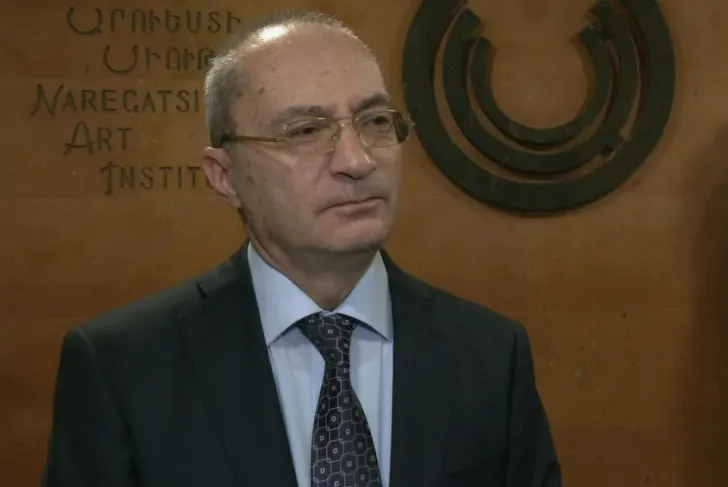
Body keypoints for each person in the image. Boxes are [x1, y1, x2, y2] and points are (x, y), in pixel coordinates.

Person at [41, 9, 561, 487]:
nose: (357, 161)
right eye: (306, 130)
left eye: (375, 122)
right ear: (224, 176)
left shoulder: (490, 355)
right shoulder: (123, 369)